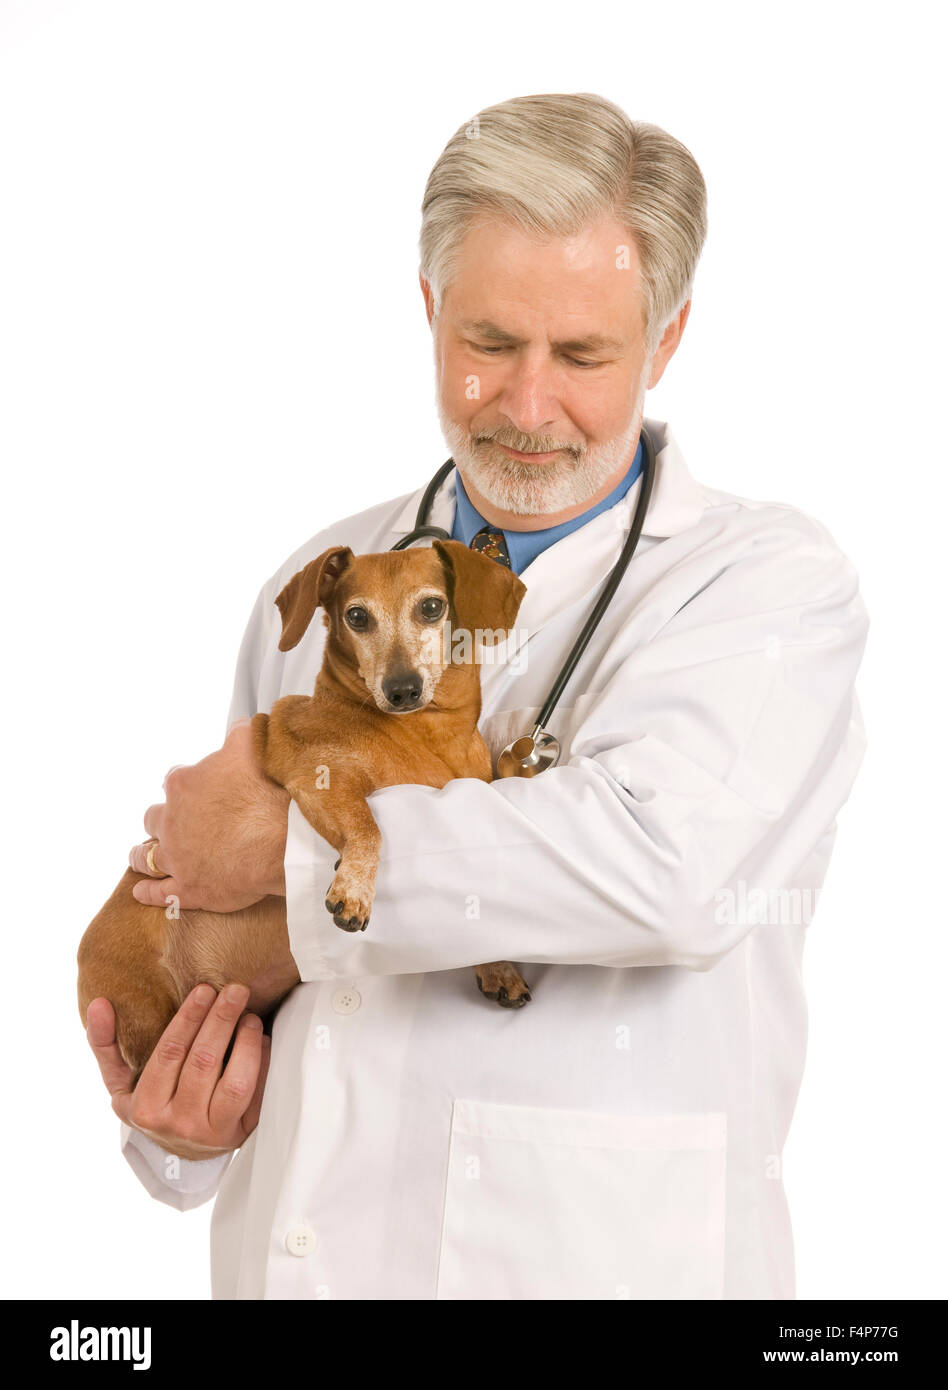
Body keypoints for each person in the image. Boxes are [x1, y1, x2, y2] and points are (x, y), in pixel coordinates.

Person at [85, 92, 869, 1300]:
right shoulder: (324, 579)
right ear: (430, 308)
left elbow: (666, 870)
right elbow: (265, 964)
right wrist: (187, 1125)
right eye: (490, 341)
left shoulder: (766, 588)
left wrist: (292, 849)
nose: (525, 404)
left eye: (586, 355)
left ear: (664, 342)